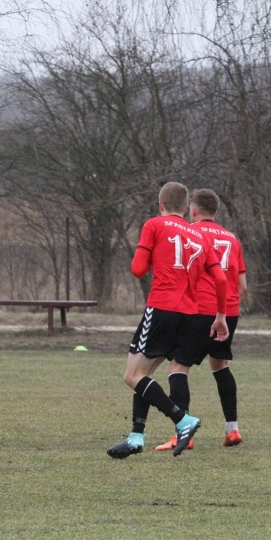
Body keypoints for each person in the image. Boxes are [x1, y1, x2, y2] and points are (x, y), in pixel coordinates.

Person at [107, 182, 229, 459]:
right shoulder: (200, 236)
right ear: (186, 208)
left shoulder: (154, 225)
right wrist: (220, 316)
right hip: (189, 314)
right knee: (145, 375)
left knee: (132, 375)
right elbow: (221, 278)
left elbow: (138, 270)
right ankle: (136, 437)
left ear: (160, 204)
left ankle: (182, 420)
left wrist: (150, 255)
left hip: (162, 307)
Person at [154, 188, 247, 451]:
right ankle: (232, 430)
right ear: (216, 211)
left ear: (192, 210)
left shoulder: (191, 234)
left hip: (200, 310)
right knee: (220, 366)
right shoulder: (232, 239)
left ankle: (182, 433)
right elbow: (242, 287)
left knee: (177, 367)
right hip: (228, 311)